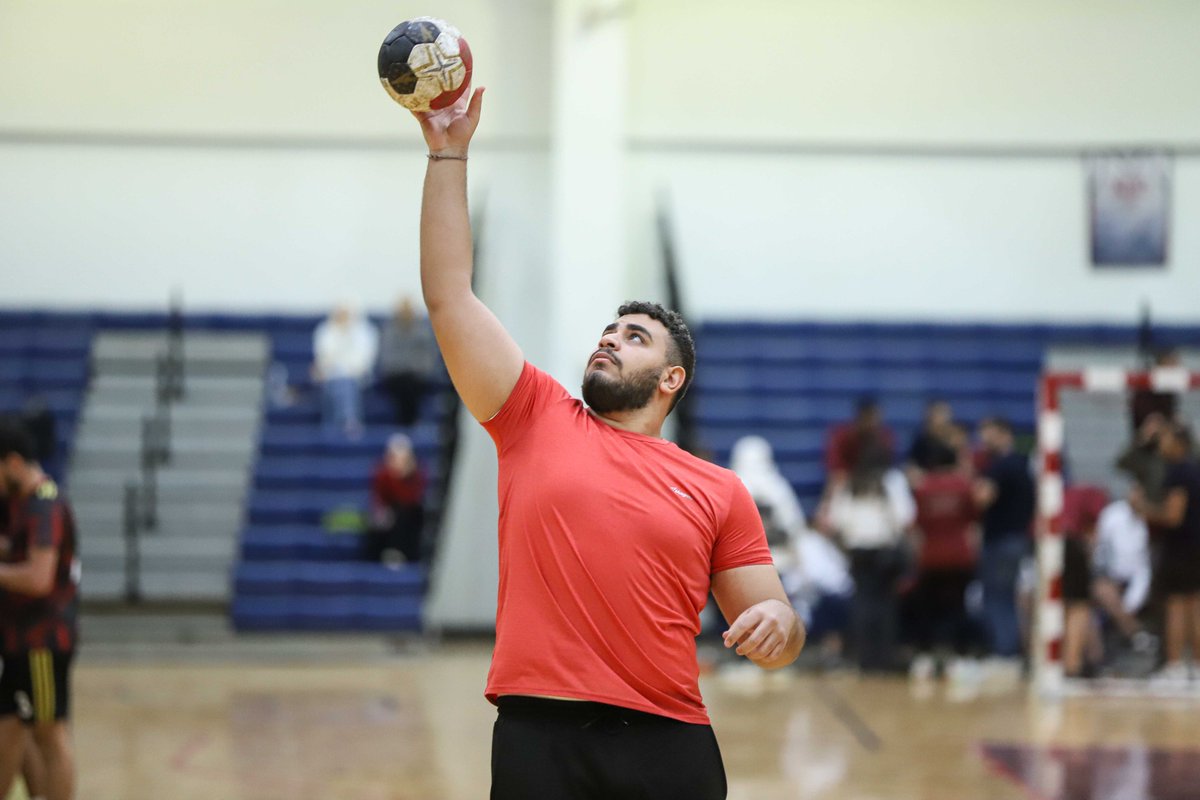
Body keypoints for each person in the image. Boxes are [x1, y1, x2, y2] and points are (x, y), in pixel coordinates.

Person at [410, 87, 804, 799]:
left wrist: (780, 622)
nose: (609, 340)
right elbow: (449, 295)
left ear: (671, 378)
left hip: (666, 745)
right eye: (608, 332)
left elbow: (775, 625)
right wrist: (447, 151)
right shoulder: (533, 416)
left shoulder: (718, 489)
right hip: (539, 741)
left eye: (634, 337)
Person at [0, 421, 79, 800]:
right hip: (18, 637)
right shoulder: (20, 505)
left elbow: (37, 578)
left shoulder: (44, 503)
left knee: (49, 734)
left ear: (13, 463)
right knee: (18, 727)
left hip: (42, 640)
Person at [824, 456, 915, 673]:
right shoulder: (889, 486)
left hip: (860, 554)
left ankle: (865, 658)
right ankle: (883, 658)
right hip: (883, 554)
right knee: (884, 606)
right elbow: (905, 518)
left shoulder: (849, 487)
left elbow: (836, 521)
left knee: (863, 605)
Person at [1133, 420, 1200, 685]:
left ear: (1178, 443)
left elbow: (1173, 516)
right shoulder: (1194, 469)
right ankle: (1195, 667)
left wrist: (1142, 508)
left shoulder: (1178, 472)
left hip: (1180, 547)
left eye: (1166, 438)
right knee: (1195, 606)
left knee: (1175, 606)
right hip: (1196, 546)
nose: (1161, 443)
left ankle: (1174, 667)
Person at [906, 457, 979, 679]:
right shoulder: (964, 486)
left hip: (931, 557)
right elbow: (973, 520)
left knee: (928, 611)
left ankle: (925, 659)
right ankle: (959, 659)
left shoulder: (923, 488)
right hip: (959, 556)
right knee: (957, 609)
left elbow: (916, 525)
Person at [973, 417, 1035, 661]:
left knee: (997, 597)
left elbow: (982, 498)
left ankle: (1005, 651)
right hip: (1018, 538)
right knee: (1007, 596)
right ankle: (1010, 648)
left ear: (1003, 434)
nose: (983, 441)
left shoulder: (1002, 466)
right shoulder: (1022, 464)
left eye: (987, 434)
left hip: (1002, 540)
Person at [312, 301, 379, 437]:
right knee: (339, 383)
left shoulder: (364, 332)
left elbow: (363, 361)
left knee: (345, 383)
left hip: (356, 377)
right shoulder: (325, 330)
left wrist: (342, 366)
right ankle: (349, 423)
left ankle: (336, 427)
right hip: (330, 377)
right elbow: (323, 358)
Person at [367, 433, 427, 566]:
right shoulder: (382, 473)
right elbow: (379, 498)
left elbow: (411, 498)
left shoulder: (416, 473)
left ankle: (402, 554)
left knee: (406, 514)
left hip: (407, 516)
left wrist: (403, 476)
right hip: (387, 513)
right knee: (377, 524)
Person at [378, 297, 439, 427]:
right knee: (404, 384)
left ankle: (407, 425)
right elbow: (387, 359)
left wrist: (412, 367)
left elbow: (427, 359)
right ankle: (408, 424)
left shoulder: (422, 331)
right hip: (396, 376)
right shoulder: (390, 331)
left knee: (412, 384)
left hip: (417, 376)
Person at [823, 397, 896, 495]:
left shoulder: (884, 438)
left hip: (875, 483)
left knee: (895, 480)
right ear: (860, 418)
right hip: (849, 484)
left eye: (876, 419)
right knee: (836, 483)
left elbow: (886, 468)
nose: (873, 424)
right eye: (869, 419)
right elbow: (836, 470)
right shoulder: (843, 437)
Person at [905, 399, 958, 479]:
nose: (940, 419)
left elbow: (961, 467)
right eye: (937, 414)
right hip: (928, 481)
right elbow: (913, 465)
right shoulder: (921, 441)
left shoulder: (956, 439)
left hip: (951, 481)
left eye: (943, 414)